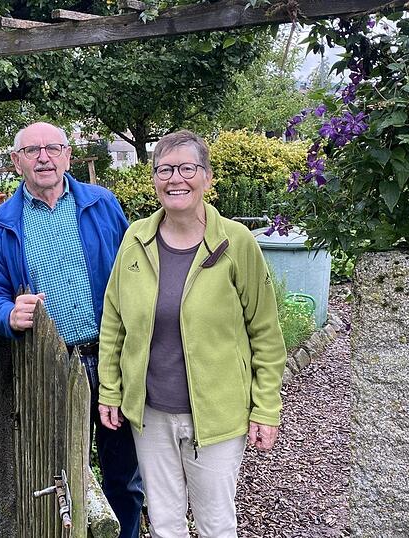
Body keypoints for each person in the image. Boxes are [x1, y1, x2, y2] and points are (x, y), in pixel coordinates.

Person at [97, 130, 286, 538]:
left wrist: (266, 408)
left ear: (207, 177)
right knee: (165, 522)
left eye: (187, 168)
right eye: (165, 169)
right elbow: (114, 319)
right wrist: (110, 389)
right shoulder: (135, 238)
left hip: (217, 414)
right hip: (150, 415)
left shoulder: (236, 242)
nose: (175, 178)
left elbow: (266, 334)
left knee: (215, 523)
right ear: (154, 178)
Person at [0, 121, 145, 537]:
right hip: (47, 365)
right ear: (17, 162)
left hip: (109, 359)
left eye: (53, 148)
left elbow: (136, 273)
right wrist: (8, 315)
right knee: (55, 472)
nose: (44, 158)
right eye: (32, 151)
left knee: (123, 472)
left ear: (68, 155)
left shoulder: (103, 204)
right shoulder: (0, 224)